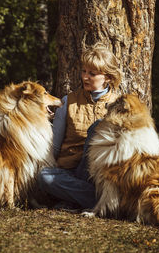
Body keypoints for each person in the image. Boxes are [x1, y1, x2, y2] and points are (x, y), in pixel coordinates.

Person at [38, 43, 122, 210]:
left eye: (92, 74)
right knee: (43, 176)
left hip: (99, 175)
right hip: (68, 171)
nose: (85, 77)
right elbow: (53, 146)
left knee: (96, 128)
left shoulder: (119, 105)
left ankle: (74, 200)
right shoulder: (68, 101)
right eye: (83, 71)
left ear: (107, 77)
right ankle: (104, 203)